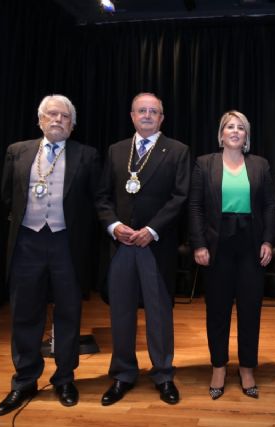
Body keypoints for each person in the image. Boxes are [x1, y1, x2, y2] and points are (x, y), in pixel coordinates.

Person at [0, 94, 101, 416]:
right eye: (51, 115)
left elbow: (95, 201)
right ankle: (24, 379)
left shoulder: (88, 155)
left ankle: (65, 378)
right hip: (27, 243)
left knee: (68, 313)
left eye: (64, 117)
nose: (57, 120)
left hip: (66, 244)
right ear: (40, 120)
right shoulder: (18, 151)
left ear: (72, 124)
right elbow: (6, 196)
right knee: (25, 314)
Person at [96, 92, 190, 406]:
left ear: (162, 118)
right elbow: (102, 197)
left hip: (155, 245)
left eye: (154, 111)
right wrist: (113, 226)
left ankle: (163, 374)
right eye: (142, 111)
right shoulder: (116, 150)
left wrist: (152, 230)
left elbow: (180, 197)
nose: (148, 115)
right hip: (121, 244)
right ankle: (123, 374)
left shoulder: (177, 151)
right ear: (132, 115)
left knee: (159, 313)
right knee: (120, 311)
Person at [189, 111, 275, 400]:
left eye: (241, 127)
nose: (235, 131)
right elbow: (196, 207)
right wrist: (199, 244)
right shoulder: (204, 163)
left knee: (250, 310)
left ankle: (248, 368)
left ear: (247, 136)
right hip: (217, 245)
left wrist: (267, 240)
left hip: (251, 244)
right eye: (229, 127)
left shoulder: (260, 165)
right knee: (217, 310)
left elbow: (268, 207)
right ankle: (218, 367)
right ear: (221, 134)